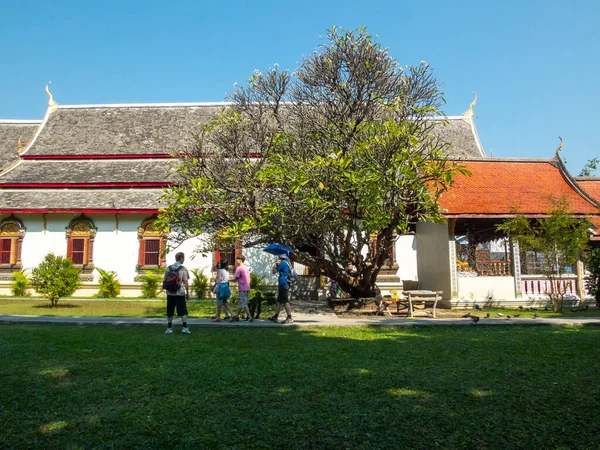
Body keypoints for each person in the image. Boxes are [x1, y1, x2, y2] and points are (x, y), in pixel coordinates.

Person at [165, 252, 191, 334]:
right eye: (183, 258)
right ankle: (185, 327)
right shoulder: (183, 269)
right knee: (183, 310)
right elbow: (186, 282)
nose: (184, 260)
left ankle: (169, 328)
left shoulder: (169, 268)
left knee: (170, 311)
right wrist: (187, 293)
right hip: (179, 292)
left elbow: (165, 280)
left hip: (170, 293)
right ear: (181, 258)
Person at [269, 254, 293, 324]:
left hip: (283, 284)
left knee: (285, 301)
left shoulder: (282, 263)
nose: (278, 257)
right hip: (285, 284)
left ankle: (289, 317)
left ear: (281, 257)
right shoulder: (288, 263)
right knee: (279, 301)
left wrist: (275, 264)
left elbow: (274, 271)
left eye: (279, 256)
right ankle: (275, 317)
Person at [233, 254, 253, 322]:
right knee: (242, 302)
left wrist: (228, 280)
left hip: (242, 287)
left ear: (240, 260)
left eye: (237, 259)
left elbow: (236, 278)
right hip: (247, 287)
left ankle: (250, 317)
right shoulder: (246, 268)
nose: (236, 261)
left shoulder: (239, 268)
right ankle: (236, 316)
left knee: (243, 304)